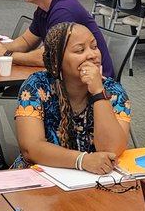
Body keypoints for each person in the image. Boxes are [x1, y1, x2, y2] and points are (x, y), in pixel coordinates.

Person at [13, 22, 130, 173]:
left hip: (93, 177)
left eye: (94, 47)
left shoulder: (112, 91)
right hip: (39, 177)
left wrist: (98, 93)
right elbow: (31, 149)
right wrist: (82, 160)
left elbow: (112, 150)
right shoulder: (37, 86)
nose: (92, 55)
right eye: (80, 50)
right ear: (57, 60)